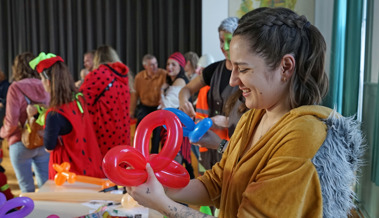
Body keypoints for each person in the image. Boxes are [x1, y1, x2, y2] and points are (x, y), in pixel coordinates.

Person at [125, 8, 363, 217]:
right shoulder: (253, 117)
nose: (232, 79)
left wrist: (164, 205)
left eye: (243, 69)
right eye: (232, 66)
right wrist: (158, 186)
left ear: (286, 67)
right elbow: (218, 184)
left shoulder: (304, 138)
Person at [29, 52, 104, 179]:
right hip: (90, 166)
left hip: (68, 174)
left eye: (41, 78)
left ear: (48, 82)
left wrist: (37, 118)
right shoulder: (79, 100)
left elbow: (49, 147)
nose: (41, 82)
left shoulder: (53, 114)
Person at [179, 17, 239, 171]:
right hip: (209, 150)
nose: (224, 47)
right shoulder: (214, 70)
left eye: (229, 41)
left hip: (234, 150)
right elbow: (186, 89)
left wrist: (227, 121)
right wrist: (184, 101)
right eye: (221, 41)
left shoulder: (247, 73)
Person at [0, 52, 50, 193]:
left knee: (26, 189)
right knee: (47, 188)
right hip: (43, 140)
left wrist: (2, 133)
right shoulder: (46, 84)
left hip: (20, 141)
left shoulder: (15, 88)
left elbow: (12, 122)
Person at [80, 45, 131, 157]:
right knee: (120, 167)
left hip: (104, 133)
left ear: (97, 58)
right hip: (123, 132)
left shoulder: (98, 75)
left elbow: (81, 102)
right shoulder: (123, 76)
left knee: (104, 169)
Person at [130, 54, 166, 153]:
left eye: (156, 64)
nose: (155, 67)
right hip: (145, 106)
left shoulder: (163, 74)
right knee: (140, 127)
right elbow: (134, 95)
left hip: (158, 107)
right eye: (151, 65)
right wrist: (131, 111)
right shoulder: (139, 77)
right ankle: (138, 151)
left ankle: (153, 153)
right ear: (145, 66)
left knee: (158, 130)